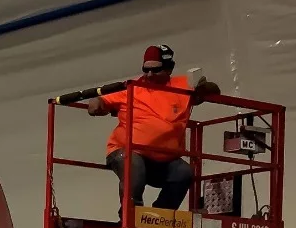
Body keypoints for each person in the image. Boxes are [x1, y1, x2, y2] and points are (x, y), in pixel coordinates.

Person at [87, 44, 219, 208]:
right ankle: (131, 217)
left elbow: (214, 91)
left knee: (184, 172)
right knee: (134, 166)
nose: (149, 74)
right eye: (145, 69)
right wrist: (96, 105)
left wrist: (203, 87)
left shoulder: (183, 85)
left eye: (155, 70)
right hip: (127, 151)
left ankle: (160, 217)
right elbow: (99, 101)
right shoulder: (131, 87)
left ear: (169, 69)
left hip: (164, 160)